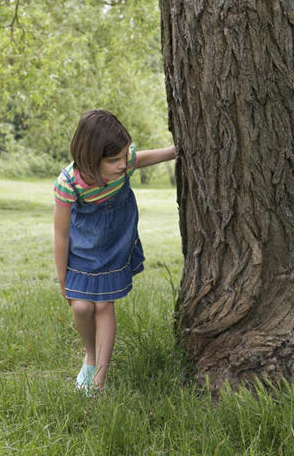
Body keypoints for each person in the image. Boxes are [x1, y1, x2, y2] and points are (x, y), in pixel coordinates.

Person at [54, 109, 176, 393]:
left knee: (104, 305)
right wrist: (63, 280)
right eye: (114, 160)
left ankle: (99, 379)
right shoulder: (69, 183)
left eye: (124, 156)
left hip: (114, 246)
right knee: (82, 307)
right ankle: (91, 355)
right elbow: (61, 235)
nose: (124, 164)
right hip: (82, 254)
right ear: (89, 158)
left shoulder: (123, 163)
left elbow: (143, 157)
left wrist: (174, 151)